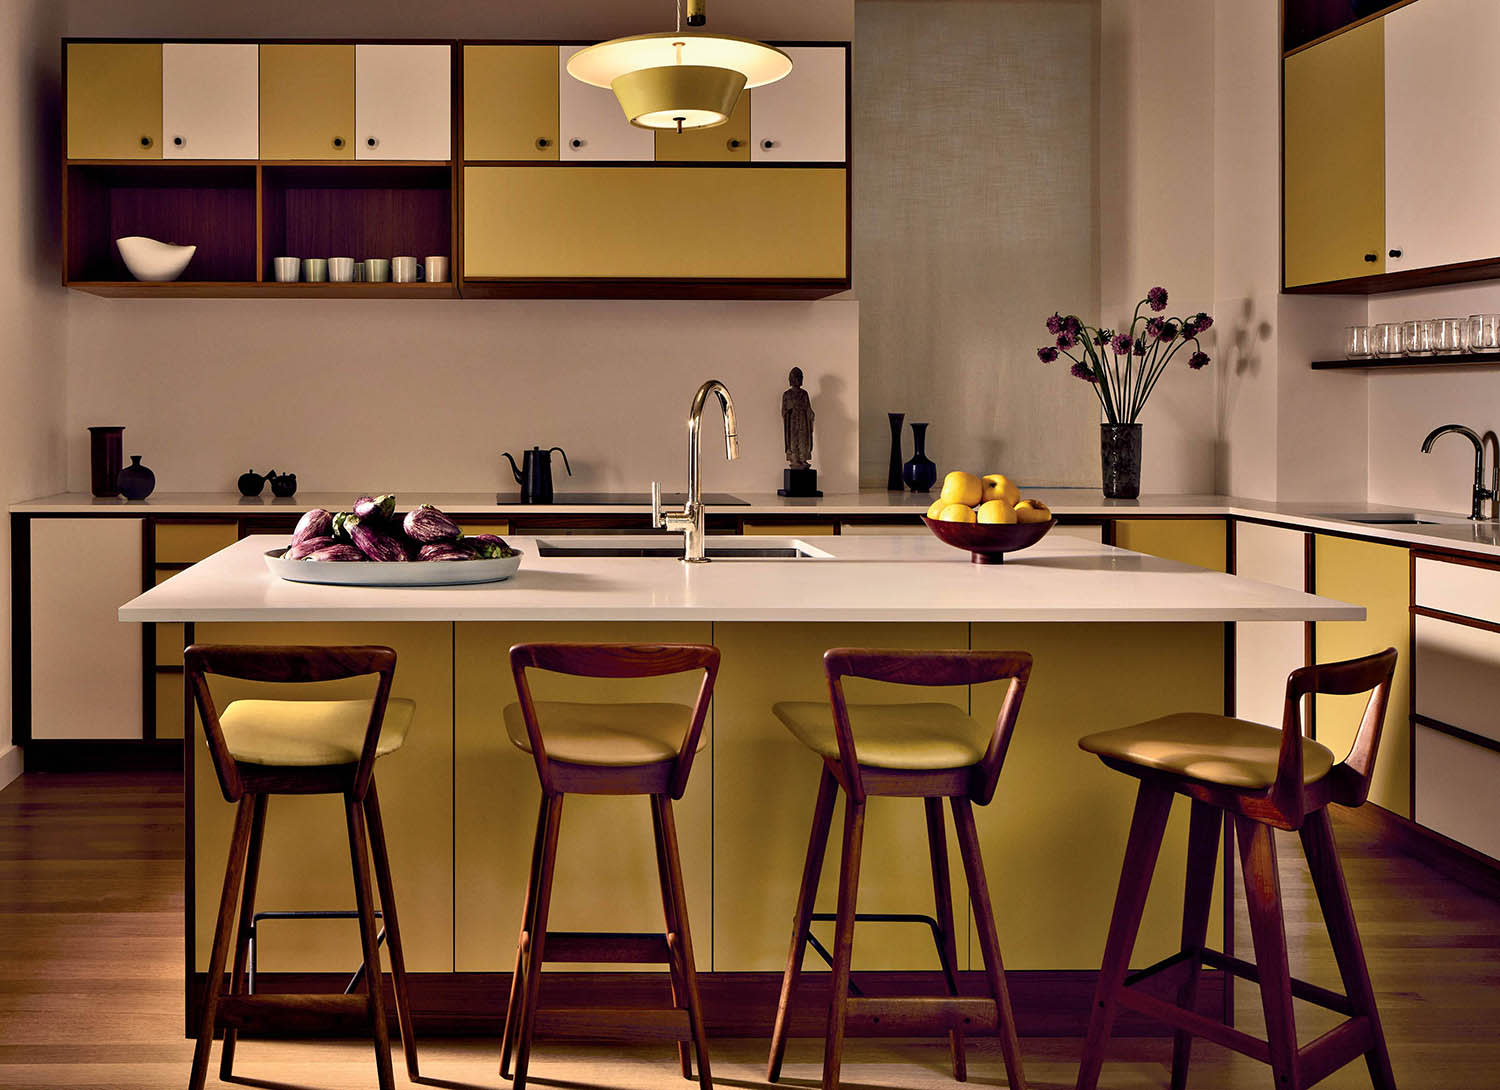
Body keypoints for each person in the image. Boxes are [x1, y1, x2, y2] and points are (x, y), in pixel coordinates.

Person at [782, 367, 814, 470]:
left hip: (803, 421)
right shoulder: (787, 395)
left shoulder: (804, 394)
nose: (797, 380)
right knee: (793, 440)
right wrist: (788, 410)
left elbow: (808, 407)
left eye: (799, 377)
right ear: (791, 379)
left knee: (803, 440)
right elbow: (783, 410)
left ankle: (803, 458)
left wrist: (810, 413)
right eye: (795, 378)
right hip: (792, 422)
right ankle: (795, 459)